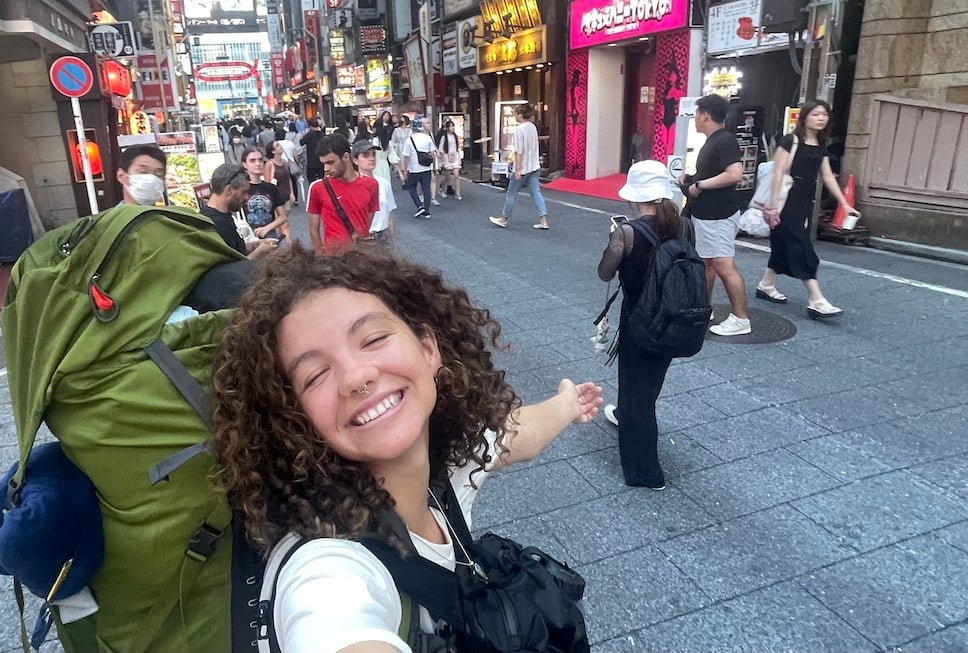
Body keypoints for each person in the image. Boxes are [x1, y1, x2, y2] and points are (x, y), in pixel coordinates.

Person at [210, 245, 603, 652]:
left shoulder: (445, 470)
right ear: (296, 418)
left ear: (429, 349)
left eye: (374, 338)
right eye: (315, 375)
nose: (356, 377)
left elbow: (519, 435)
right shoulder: (327, 570)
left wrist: (569, 403)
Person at [598, 161, 684, 491]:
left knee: (636, 396)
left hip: (639, 320)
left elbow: (605, 272)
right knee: (648, 386)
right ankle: (629, 416)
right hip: (673, 315)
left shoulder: (627, 231)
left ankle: (647, 474)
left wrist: (612, 240)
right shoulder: (681, 225)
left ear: (635, 197)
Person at [756, 99, 851, 319]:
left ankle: (766, 285)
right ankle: (816, 299)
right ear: (805, 116)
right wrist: (772, 205)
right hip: (785, 200)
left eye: (824, 115)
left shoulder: (821, 144)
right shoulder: (791, 140)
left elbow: (827, 175)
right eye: (816, 114)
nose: (821, 118)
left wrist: (844, 204)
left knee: (781, 243)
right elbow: (778, 172)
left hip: (804, 200)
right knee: (801, 245)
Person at [679, 94, 749, 336]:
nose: (695, 119)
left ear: (705, 115)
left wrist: (700, 186)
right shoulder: (714, 141)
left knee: (722, 265)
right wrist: (689, 180)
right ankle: (703, 308)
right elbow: (711, 173)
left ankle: (740, 318)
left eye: (697, 114)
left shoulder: (724, 140)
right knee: (707, 263)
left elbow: (735, 173)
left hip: (718, 215)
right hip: (708, 214)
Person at [306, 134, 379, 252]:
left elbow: (366, 223)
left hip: (361, 258)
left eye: (330, 162)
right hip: (333, 260)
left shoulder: (371, 185)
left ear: (345, 157)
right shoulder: (317, 188)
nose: (325, 169)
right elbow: (313, 230)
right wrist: (320, 258)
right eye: (323, 163)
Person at [199, 163, 279, 260]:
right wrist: (260, 252)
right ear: (228, 190)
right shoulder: (216, 224)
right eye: (243, 192)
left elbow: (235, 248)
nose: (246, 197)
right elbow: (232, 269)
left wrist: (257, 244)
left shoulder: (221, 215)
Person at [488, 104, 549, 230]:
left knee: (511, 194)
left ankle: (503, 219)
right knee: (536, 193)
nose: (515, 116)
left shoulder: (519, 130)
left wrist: (517, 169)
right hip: (534, 166)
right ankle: (543, 220)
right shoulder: (532, 127)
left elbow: (519, 151)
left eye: (516, 114)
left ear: (520, 115)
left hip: (523, 167)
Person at [353, 139, 395, 246]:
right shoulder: (352, 185)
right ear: (355, 160)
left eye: (373, 155)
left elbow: (388, 215)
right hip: (365, 236)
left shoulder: (383, 183)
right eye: (366, 155)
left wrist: (393, 240)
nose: (371, 159)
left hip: (384, 235)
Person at [240, 147, 288, 240]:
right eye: (252, 161)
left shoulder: (271, 188)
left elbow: (283, 216)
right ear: (245, 164)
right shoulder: (240, 188)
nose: (258, 164)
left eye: (260, 160)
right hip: (248, 236)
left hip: (270, 235)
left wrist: (267, 228)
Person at [400, 117, 437, 219]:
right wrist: (433, 166)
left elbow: (406, 156)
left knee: (412, 187)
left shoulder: (409, 140)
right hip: (426, 168)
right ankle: (427, 211)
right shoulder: (427, 138)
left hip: (414, 168)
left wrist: (405, 169)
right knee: (426, 188)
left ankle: (419, 205)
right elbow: (433, 153)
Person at [264, 141, 295, 240]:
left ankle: (278, 244)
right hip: (276, 200)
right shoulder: (270, 164)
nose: (280, 147)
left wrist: (292, 193)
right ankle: (291, 246)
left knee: (280, 224)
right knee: (284, 224)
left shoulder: (284, 162)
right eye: (277, 146)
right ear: (273, 151)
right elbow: (267, 182)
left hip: (285, 196)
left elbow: (289, 178)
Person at [435, 119, 463, 201]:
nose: (452, 128)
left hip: (455, 157)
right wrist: (443, 159)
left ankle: (458, 193)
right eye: (450, 126)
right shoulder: (444, 137)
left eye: (453, 126)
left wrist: (458, 155)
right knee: (448, 177)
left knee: (457, 175)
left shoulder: (455, 136)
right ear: (447, 128)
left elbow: (458, 147)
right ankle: (442, 187)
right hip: (447, 158)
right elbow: (441, 149)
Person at [300, 118, 326, 185]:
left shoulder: (309, 135)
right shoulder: (322, 135)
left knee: (311, 181)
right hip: (321, 161)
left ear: (310, 126)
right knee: (322, 181)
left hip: (311, 161)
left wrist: (303, 136)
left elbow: (301, 142)